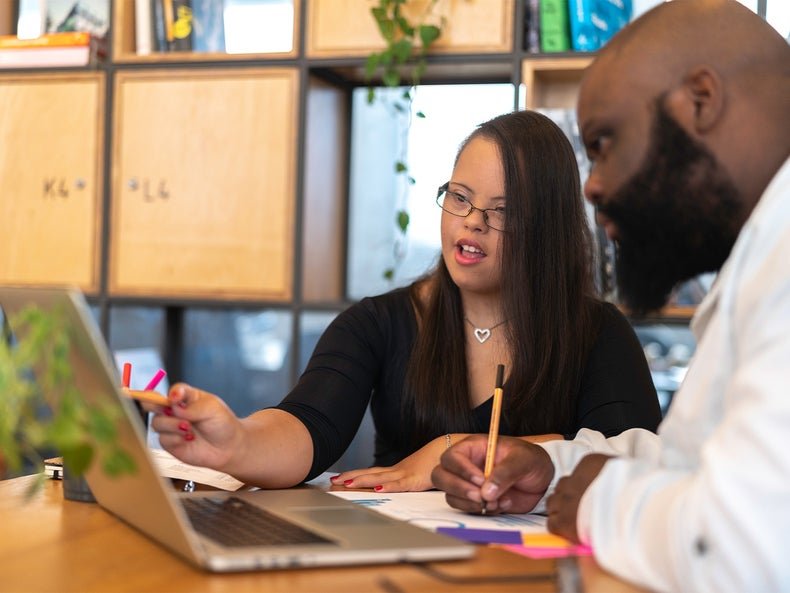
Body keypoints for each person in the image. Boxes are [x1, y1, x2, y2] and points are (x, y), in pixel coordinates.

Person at [431, 1, 790, 592]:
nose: (593, 187)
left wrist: (598, 503)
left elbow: (734, 550)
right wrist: (551, 471)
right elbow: (693, 465)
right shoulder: (760, 261)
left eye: (605, 143)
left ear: (701, 101)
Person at [151, 110, 660, 492]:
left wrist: (452, 449)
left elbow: (636, 461)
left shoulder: (599, 335)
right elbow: (308, 427)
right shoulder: (378, 323)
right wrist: (236, 441)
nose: (472, 222)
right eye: (460, 197)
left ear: (547, 231)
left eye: (502, 211)